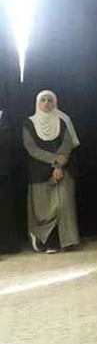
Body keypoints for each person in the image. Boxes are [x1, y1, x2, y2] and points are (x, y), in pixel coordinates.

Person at [24, 90, 82, 253]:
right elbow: (31, 148)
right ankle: (48, 242)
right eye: (43, 100)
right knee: (44, 210)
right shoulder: (29, 123)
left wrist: (59, 166)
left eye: (50, 100)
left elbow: (67, 144)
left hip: (64, 169)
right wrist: (55, 161)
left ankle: (67, 242)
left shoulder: (63, 120)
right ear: (37, 103)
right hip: (39, 171)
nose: (47, 103)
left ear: (55, 103)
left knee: (64, 206)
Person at [0, 107, 23, 254]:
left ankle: (7, 245)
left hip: (2, 172)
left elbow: (7, 139)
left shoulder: (3, 115)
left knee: (5, 209)